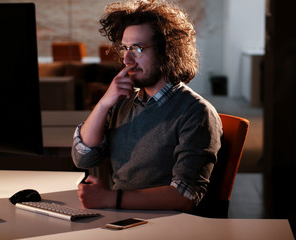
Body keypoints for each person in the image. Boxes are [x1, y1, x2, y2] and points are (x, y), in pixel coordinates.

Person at [72, 0, 222, 213]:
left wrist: (109, 199)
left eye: (138, 49)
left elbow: (185, 196)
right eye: (124, 48)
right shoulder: (122, 102)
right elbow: (83, 157)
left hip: (165, 226)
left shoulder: (196, 112)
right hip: (120, 219)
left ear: (167, 51)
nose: (127, 60)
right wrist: (104, 103)